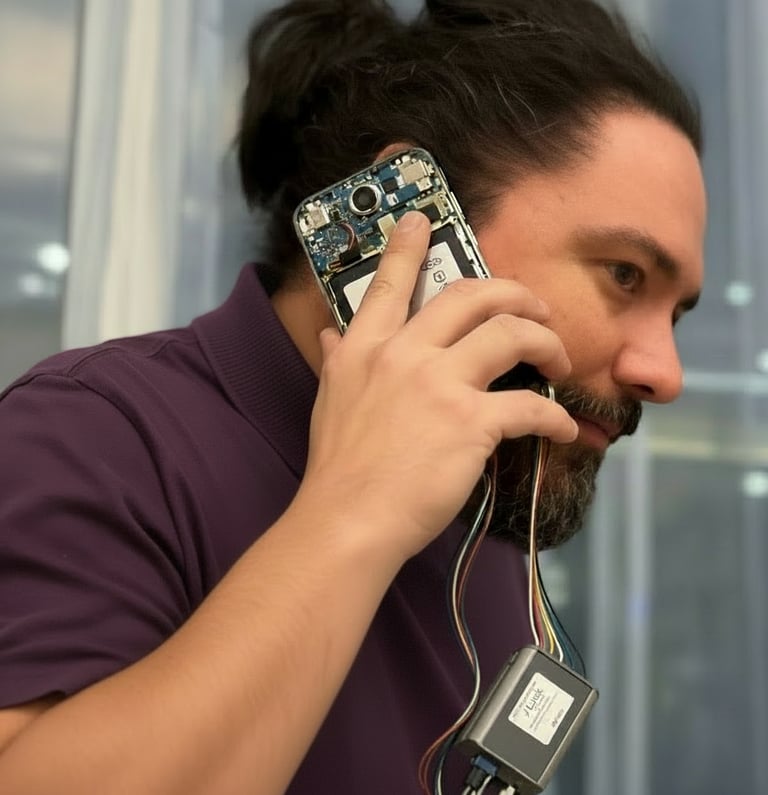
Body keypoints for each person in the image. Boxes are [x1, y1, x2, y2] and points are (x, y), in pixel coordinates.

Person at [0, 0, 705, 793]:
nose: (667, 373)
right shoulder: (96, 435)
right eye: (624, 275)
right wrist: (356, 511)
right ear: (410, 221)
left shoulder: (484, 521)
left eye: (675, 312)